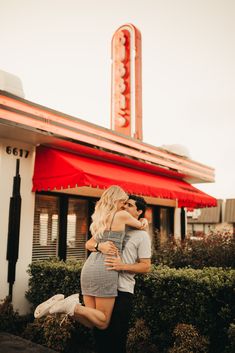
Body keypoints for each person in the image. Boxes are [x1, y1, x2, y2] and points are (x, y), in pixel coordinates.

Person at [34, 186, 148, 331]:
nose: (125, 206)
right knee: (103, 322)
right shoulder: (121, 215)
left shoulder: (102, 219)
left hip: (89, 267)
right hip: (105, 268)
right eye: (124, 202)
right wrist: (144, 220)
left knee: (90, 322)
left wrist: (99, 246)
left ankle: (64, 307)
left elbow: (89, 244)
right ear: (117, 200)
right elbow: (141, 226)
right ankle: (71, 305)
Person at [87, 194, 152, 353]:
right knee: (99, 336)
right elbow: (90, 243)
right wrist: (99, 246)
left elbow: (145, 267)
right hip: (103, 287)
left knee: (116, 340)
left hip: (122, 291)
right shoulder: (112, 227)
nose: (124, 207)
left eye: (129, 205)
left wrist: (122, 266)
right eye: (124, 204)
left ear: (139, 212)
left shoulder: (142, 236)